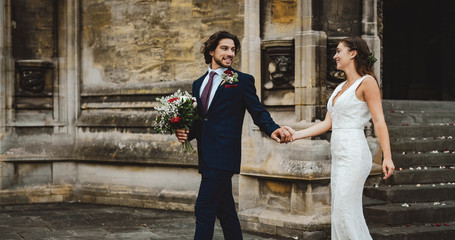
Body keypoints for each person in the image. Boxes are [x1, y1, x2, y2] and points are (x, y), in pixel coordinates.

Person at [174, 31, 291, 240]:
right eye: (225, 48)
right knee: (225, 211)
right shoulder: (197, 84)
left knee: (204, 208)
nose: (230, 53)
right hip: (207, 156)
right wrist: (185, 132)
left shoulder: (242, 81)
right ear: (211, 51)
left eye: (233, 50)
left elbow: (258, 111)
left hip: (225, 155)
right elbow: (200, 119)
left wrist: (272, 128)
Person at [284, 36, 395, 240]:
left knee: (346, 211)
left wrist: (387, 157)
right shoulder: (339, 88)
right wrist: (296, 134)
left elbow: (379, 122)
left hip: (354, 153)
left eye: (338, 51)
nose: (335, 56)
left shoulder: (367, 82)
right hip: (339, 154)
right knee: (339, 211)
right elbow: (328, 123)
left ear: (353, 53)